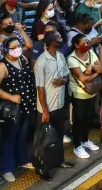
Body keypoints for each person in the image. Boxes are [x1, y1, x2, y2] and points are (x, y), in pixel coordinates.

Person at [0, 36, 36, 182]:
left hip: (27, 104)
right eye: (13, 47)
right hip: (12, 109)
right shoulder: (1, 66)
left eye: (18, 46)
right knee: (9, 137)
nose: (17, 49)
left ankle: (22, 159)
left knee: (23, 134)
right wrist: (10, 97)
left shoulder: (23, 59)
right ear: (5, 50)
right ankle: (6, 168)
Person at [33, 31, 75, 171]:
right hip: (47, 107)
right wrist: (45, 110)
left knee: (58, 135)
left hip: (59, 104)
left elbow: (66, 77)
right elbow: (40, 88)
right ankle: (42, 168)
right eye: (58, 38)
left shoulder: (60, 56)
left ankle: (59, 160)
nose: (61, 39)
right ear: (51, 42)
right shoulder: (41, 62)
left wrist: (63, 81)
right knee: (44, 139)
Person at [66, 33, 102, 159]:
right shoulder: (71, 59)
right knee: (78, 120)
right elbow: (82, 78)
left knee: (88, 118)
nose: (87, 45)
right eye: (83, 43)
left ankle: (85, 140)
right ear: (76, 45)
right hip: (78, 94)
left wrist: (92, 67)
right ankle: (77, 146)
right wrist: (95, 74)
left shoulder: (91, 53)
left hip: (91, 92)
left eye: (87, 42)